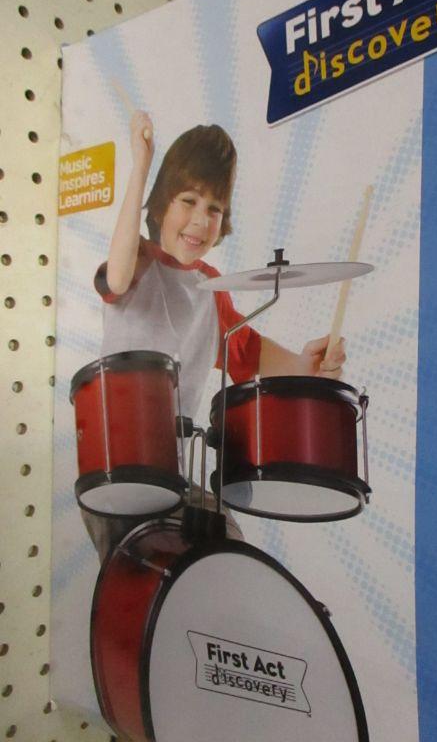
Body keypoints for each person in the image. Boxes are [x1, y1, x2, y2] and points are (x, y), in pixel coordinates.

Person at [83, 111, 346, 559]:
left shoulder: (211, 290)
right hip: (113, 471)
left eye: (214, 209)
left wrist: (312, 364)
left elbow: (256, 356)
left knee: (229, 551)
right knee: (147, 577)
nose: (200, 221)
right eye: (188, 200)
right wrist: (141, 166)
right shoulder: (138, 260)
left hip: (172, 477)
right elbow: (119, 275)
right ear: (160, 205)